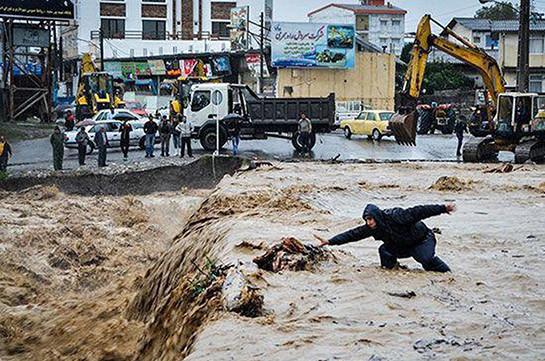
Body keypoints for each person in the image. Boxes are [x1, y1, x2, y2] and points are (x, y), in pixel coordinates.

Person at [315, 203, 455, 273]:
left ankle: (448, 275)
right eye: (366, 220)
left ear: (377, 217)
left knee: (424, 259)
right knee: (384, 250)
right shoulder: (372, 228)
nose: (369, 223)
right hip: (402, 245)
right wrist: (330, 241)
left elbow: (420, 211)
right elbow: (353, 234)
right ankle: (392, 271)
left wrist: (443, 208)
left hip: (422, 240)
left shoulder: (396, 216)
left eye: (371, 219)